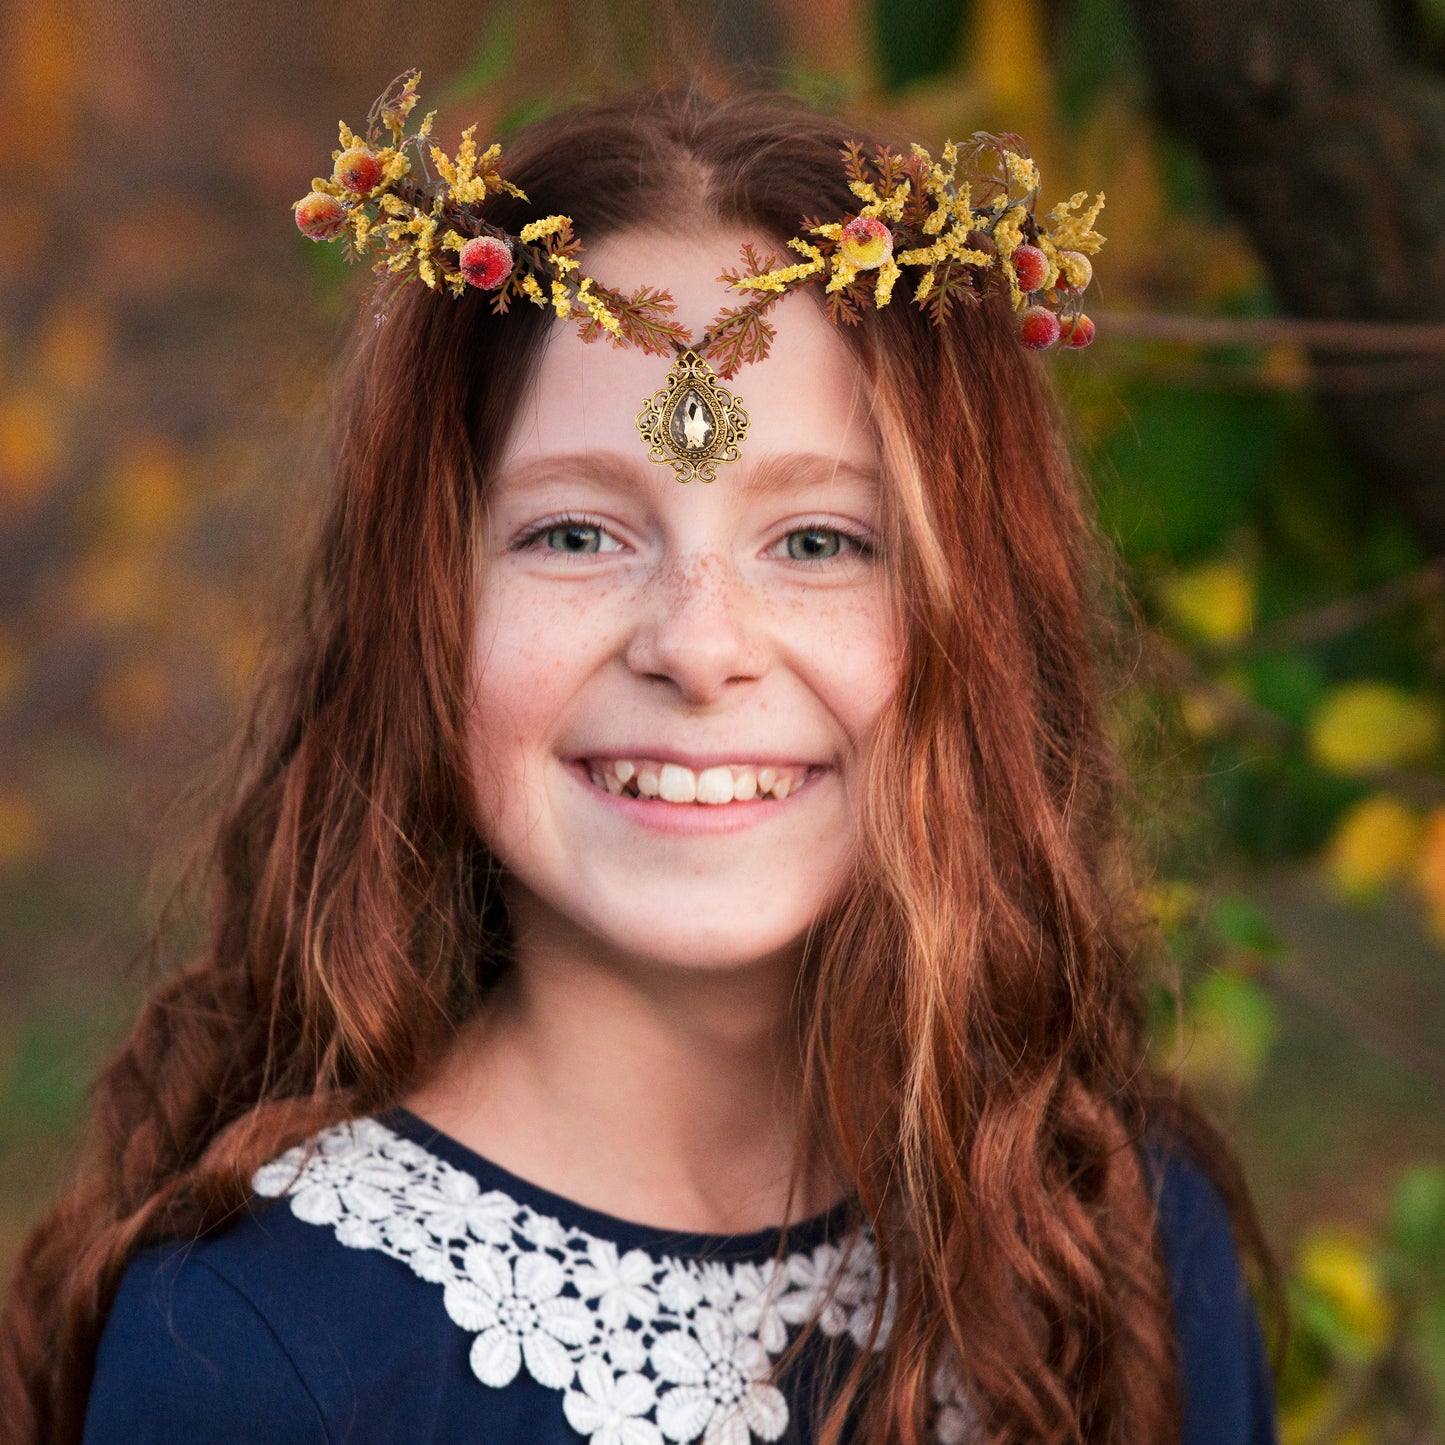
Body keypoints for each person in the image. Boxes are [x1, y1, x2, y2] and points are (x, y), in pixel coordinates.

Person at [0, 78, 1281, 1445]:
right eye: (573, 534)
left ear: (974, 627)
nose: (698, 644)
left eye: (818, 540)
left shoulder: (1104, 1239)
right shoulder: (251, 1349)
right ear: (425, 612)